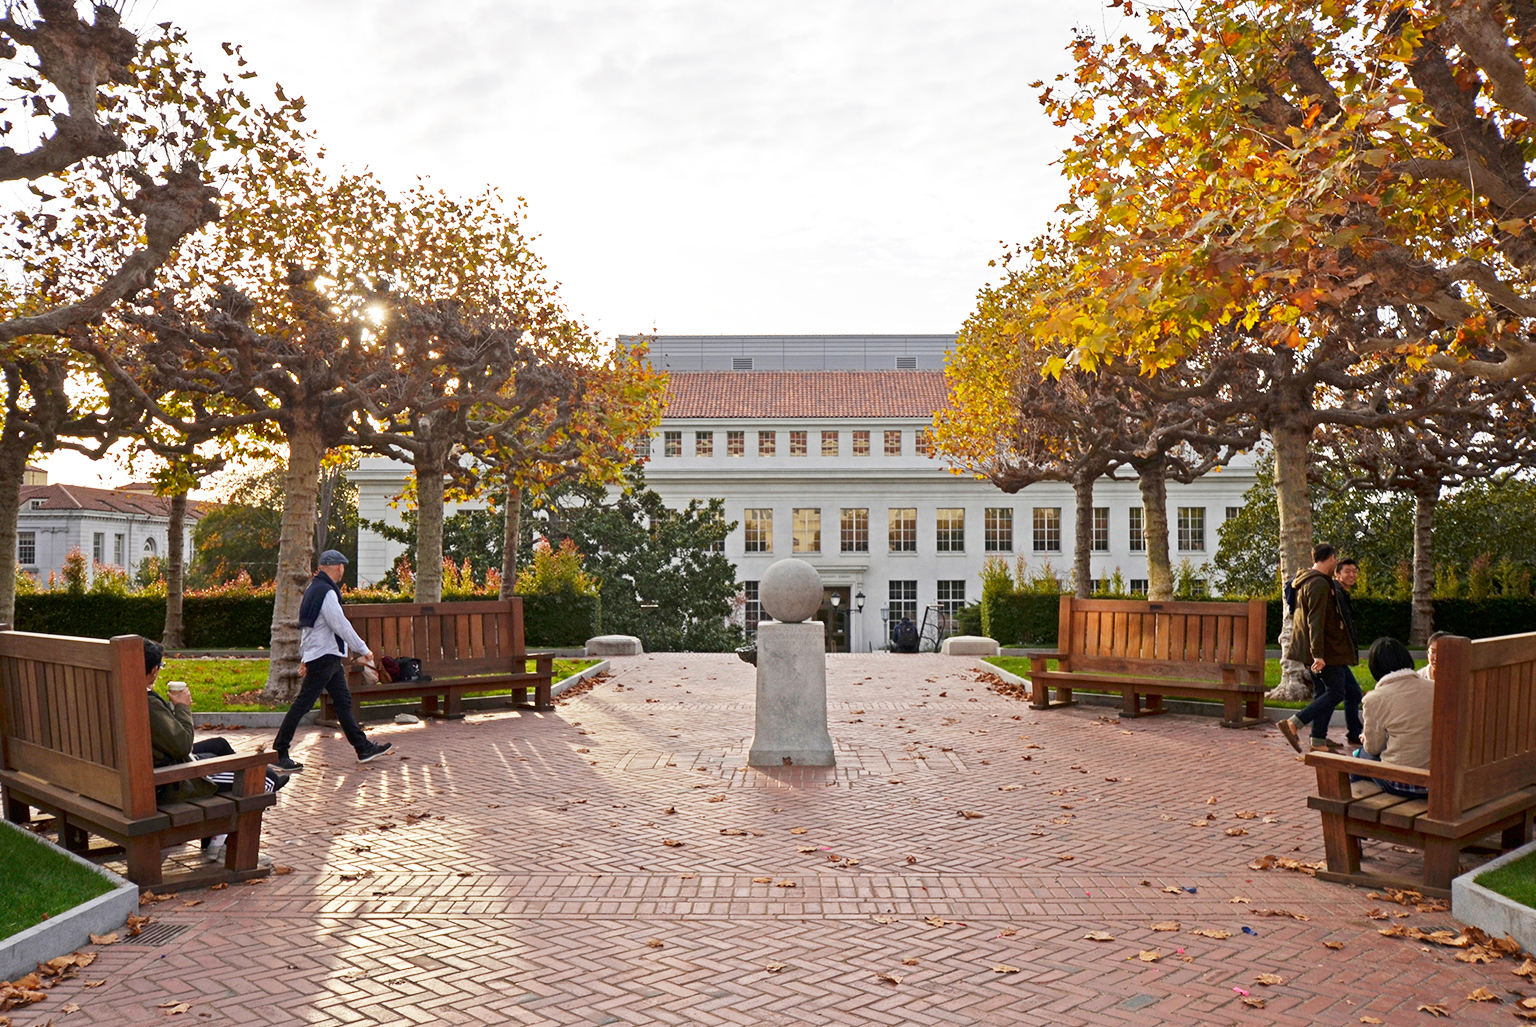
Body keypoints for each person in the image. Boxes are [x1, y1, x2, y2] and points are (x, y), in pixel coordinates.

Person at [145, 639, 286, 863]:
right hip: (167, 783)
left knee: (218, 746)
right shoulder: (147, 703)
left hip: (146, 773)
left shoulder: (121, 695)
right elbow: (182, 744)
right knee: (261, 778)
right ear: (153, 670)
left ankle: (213, 840)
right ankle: (227, 848)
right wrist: (182, 707)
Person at [272, 550, 393, 771]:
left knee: (343, 702)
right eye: (342, 567)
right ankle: (280, 751)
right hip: (324, 656)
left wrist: (304, 657)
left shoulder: (313, 589)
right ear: (338, 567)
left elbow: (308, 629)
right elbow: (340, 625)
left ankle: (363, 747)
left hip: (325, 656)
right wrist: (363, 649)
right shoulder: (326, 592)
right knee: (303, 703)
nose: (342, 571)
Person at [1278, 544, 1362, 753]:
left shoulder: (1307, 580)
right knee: (1335, 692)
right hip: (1324, 652)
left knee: (1328, 691)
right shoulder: (1319, 584)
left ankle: (1318, 741)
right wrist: (1319, 655)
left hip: (1319, 650)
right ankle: (1295, 722)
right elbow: (1315, 621)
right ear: (1332, 558)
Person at [1354, 637, 1433, 797]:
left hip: (1400, 782)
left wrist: (1367, 739)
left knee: (1360, 757)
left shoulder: (1375, 698)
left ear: (1375, 666)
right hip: (1436, 780)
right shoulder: (1434, 688)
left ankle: (1357, 813)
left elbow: (1373, 748)